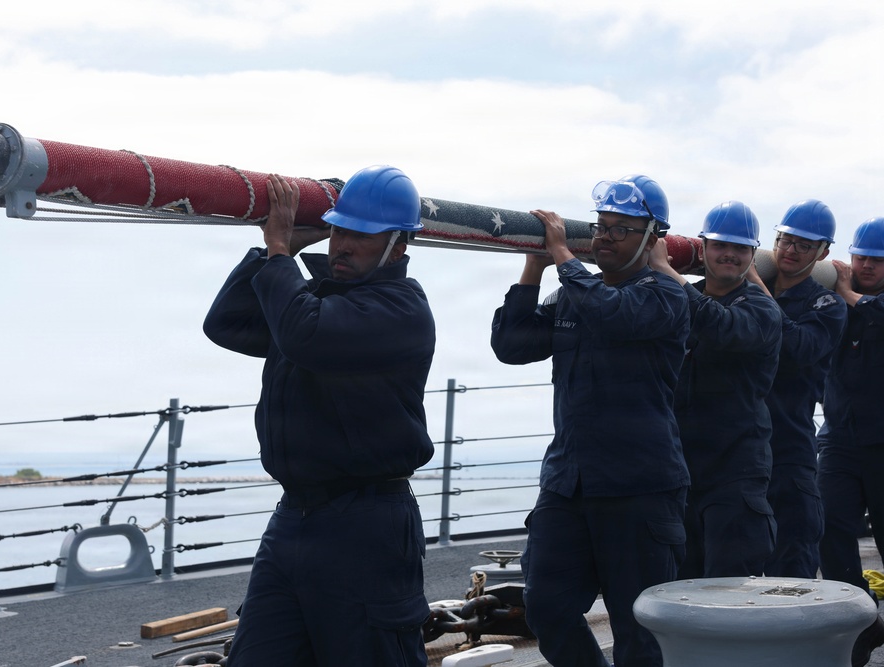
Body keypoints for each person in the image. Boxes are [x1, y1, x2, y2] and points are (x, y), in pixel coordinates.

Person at [203, 166, 436, 666]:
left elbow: (304, 335)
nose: (343, 246)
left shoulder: (401, 310)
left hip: (366, 525)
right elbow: (226, 323)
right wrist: (276, 251)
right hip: (294, 518)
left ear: (398, 246)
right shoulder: (311, 302)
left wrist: (280, 250)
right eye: (338, 231)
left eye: (362, 237)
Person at [492, 175, 690, 667]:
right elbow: (512, 345)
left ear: (652, 238)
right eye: (601, 226)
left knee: (639, 629)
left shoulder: (665, 295)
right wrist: (534, 266)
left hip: (639, 488)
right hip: (569, 483)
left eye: (621, 229)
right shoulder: (576, 295)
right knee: (546, 606)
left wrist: (563, 255)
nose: (605, 237)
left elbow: (614, 315)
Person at [648, 201, 781, 579]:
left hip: (736, 470)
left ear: (752, 255)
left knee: (729, 586)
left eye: (740, 248)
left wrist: (664, 269)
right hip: (680, 469)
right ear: (703, 247)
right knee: (678, 585)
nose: (729, 254)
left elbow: (719, 326)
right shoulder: (680, 297)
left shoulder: (762, 310)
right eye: (720, 245)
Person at [744, 200, 846, 578]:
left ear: (823, 253)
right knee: (732, 571)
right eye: (785, 241)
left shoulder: (826, 304)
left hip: (789, 451)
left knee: (792, 567)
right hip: (739, 450)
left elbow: (799, 347)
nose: (790, 250)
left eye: (804, 245)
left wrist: (755, 286)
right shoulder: (747, 288)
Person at [818, 216, 884, 667]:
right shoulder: (836, 298)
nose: (866, 266)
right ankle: (860, 621)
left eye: (877, 260)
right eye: (860, 257)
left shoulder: (860, 301)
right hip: (840, 439)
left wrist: (848, 293)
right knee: (829, 527)